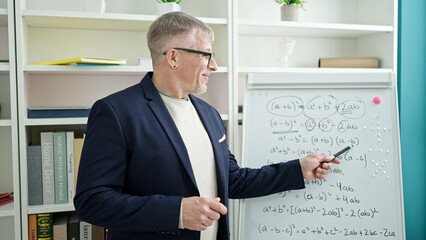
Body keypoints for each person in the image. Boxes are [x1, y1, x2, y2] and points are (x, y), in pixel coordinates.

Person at [74, 11, 340, 240]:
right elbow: (92, 202)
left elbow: (233, 180)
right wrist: (176, 212)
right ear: (173, 57)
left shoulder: (210, 114)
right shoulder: (116, 112)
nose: (214, 65)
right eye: (206, 55)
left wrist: (298, 170)